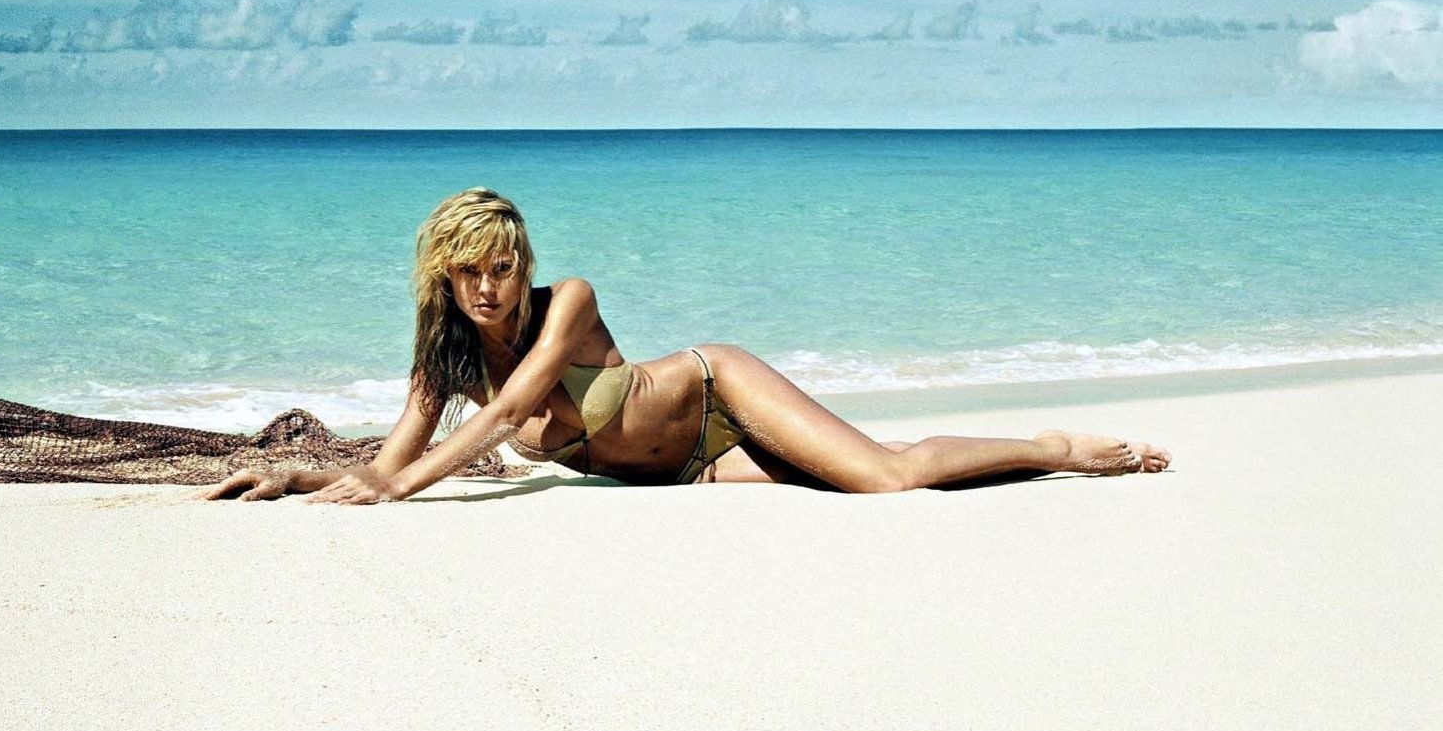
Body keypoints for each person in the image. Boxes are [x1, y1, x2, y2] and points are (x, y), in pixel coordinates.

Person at [204, 188, 1170, 504]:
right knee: (860, 474)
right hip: (690, 471)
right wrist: (303, 477)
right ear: (445, 280)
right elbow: (392, 459)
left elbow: (510, 412)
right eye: (471, 273)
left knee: (887, 479)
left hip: (718, 393)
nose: (490, 287)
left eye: (502, 266)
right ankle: (1039, 454)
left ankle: (1060, 448)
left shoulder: (566, 302)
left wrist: (393, 493)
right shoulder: (442, 360)